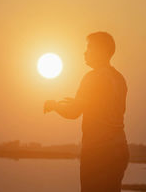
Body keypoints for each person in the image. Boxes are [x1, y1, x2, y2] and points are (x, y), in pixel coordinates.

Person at [44, 31, 129, 192]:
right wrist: (81, 102)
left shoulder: (92, 77)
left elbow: (73, 112)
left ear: (101, 51)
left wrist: (54, 105)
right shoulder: (119, 78)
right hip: (119, 149)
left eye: (89, 48)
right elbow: (104, 107)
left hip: (98, 151)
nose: (85, 52)